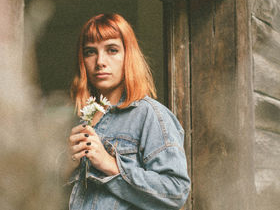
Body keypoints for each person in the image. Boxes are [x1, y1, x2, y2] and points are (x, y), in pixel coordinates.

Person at [68, 13, 190, 210]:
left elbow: (176, 191)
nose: (100, 61)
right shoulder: (82, 119)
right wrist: (67, 164)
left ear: (128, 55)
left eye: (112, 50)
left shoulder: (150, 115)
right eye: (90, 52)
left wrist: (112, 166)